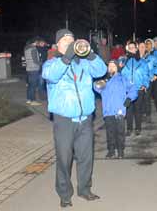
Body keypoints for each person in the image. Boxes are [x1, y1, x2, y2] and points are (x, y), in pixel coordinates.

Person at [42, 29, 106, 207]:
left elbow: (101, 70)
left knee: (86, 157)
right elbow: (51, 76)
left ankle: (85, 189)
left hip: (85, 119)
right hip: (64, 121)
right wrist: (66, 58)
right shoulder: (52, 63)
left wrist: (90, 53)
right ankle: (64, 194)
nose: (70, 44)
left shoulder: (84, 62)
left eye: (72, 41)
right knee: (64, 159)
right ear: (58, 45)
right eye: (66, 41)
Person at [94, 60, 138, 159]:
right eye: (109, 66)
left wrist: (129, 98)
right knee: (110, 132)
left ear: (117, 67)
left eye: (113, 66)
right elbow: (96, 87)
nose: (111, 68)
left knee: (120, 131)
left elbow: (133, 88)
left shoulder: (122, 79)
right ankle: (111, 150)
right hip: (108, 111)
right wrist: (102, 81)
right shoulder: (105, 80)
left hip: (119, 110)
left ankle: (120, 150)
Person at [121, 42, 149, 136]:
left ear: (136, 49)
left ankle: (138, 128)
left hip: (138, 89)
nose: (132, 49)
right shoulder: (124, 62)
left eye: (133, 48)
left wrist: (144, 85)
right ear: (128, 50)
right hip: (128, 91)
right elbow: (122, 76)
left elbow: (146, 75)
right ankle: (129, 129)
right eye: (130, 48)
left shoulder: (142, 62)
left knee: (138, 110)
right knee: (128, 110)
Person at [140, 41, 157, 122]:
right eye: (140, 47)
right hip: (139, 81)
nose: (142, 49)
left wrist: (156, 75)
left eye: (143, 47)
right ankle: (142, 113)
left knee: (147, 97)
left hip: (149, 80)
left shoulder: (151, 57)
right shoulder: (137, 58)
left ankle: (148, 115)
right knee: (140, 98)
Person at [24, 37, 42, 106]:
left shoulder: (26, 48)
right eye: (37, 42)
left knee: (30, 85)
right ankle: (33, 100)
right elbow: (35, 61)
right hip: (34, 69)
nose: (37, 43)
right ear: (34, 42)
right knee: (33, 86)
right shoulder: (33, 49)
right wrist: (41, 63)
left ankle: (28, 99)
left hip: (29, 69)